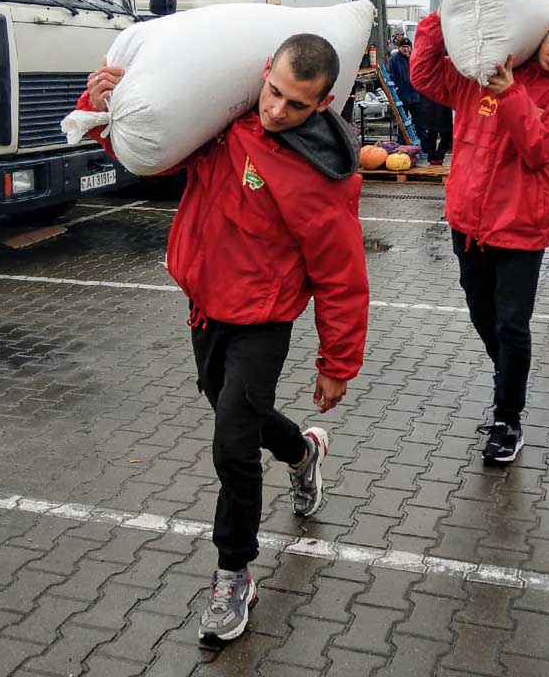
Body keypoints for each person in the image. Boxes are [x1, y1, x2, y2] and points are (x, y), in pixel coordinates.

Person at [79, 34, 370, 642]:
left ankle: (234, 572)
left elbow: (342, 276)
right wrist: (103, 105)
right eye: (273, 93)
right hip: (205, 309)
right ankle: (303, 452)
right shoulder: (222, 124)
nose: (276, 111)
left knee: (232, 445)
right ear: (263, 73)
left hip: (263, 324)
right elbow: (152, 156)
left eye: (295, 104)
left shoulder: (320, 177)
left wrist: (337, 361)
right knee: (243, 417)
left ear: (322, 105)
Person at [411, 6, 549, 465]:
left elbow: (538, 150)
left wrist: (513, 95)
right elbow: (425, 76)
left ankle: (507, 418)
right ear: (548, 30)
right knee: (481, 313)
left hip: (520, 228)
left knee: (512, 324)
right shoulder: (486, 71)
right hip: (469, 221)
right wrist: (442, 15)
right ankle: (508, 376)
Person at [388, 38, 425, 146]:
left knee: (419, 122)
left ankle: (424, 144)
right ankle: (403, 143)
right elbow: (392, 76)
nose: (405, 49)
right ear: (399, 48)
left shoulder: (414, 58)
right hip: (402, 96)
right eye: (403, 47)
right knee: (402, 123)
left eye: (407, 47)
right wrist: (395, 89)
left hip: (415, 95)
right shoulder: (394, 59)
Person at [418, 96, 453, 165]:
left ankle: (437, 157)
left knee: (444, 133)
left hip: (441, 103)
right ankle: (434, 157)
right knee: (433, 132)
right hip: (432, 104)